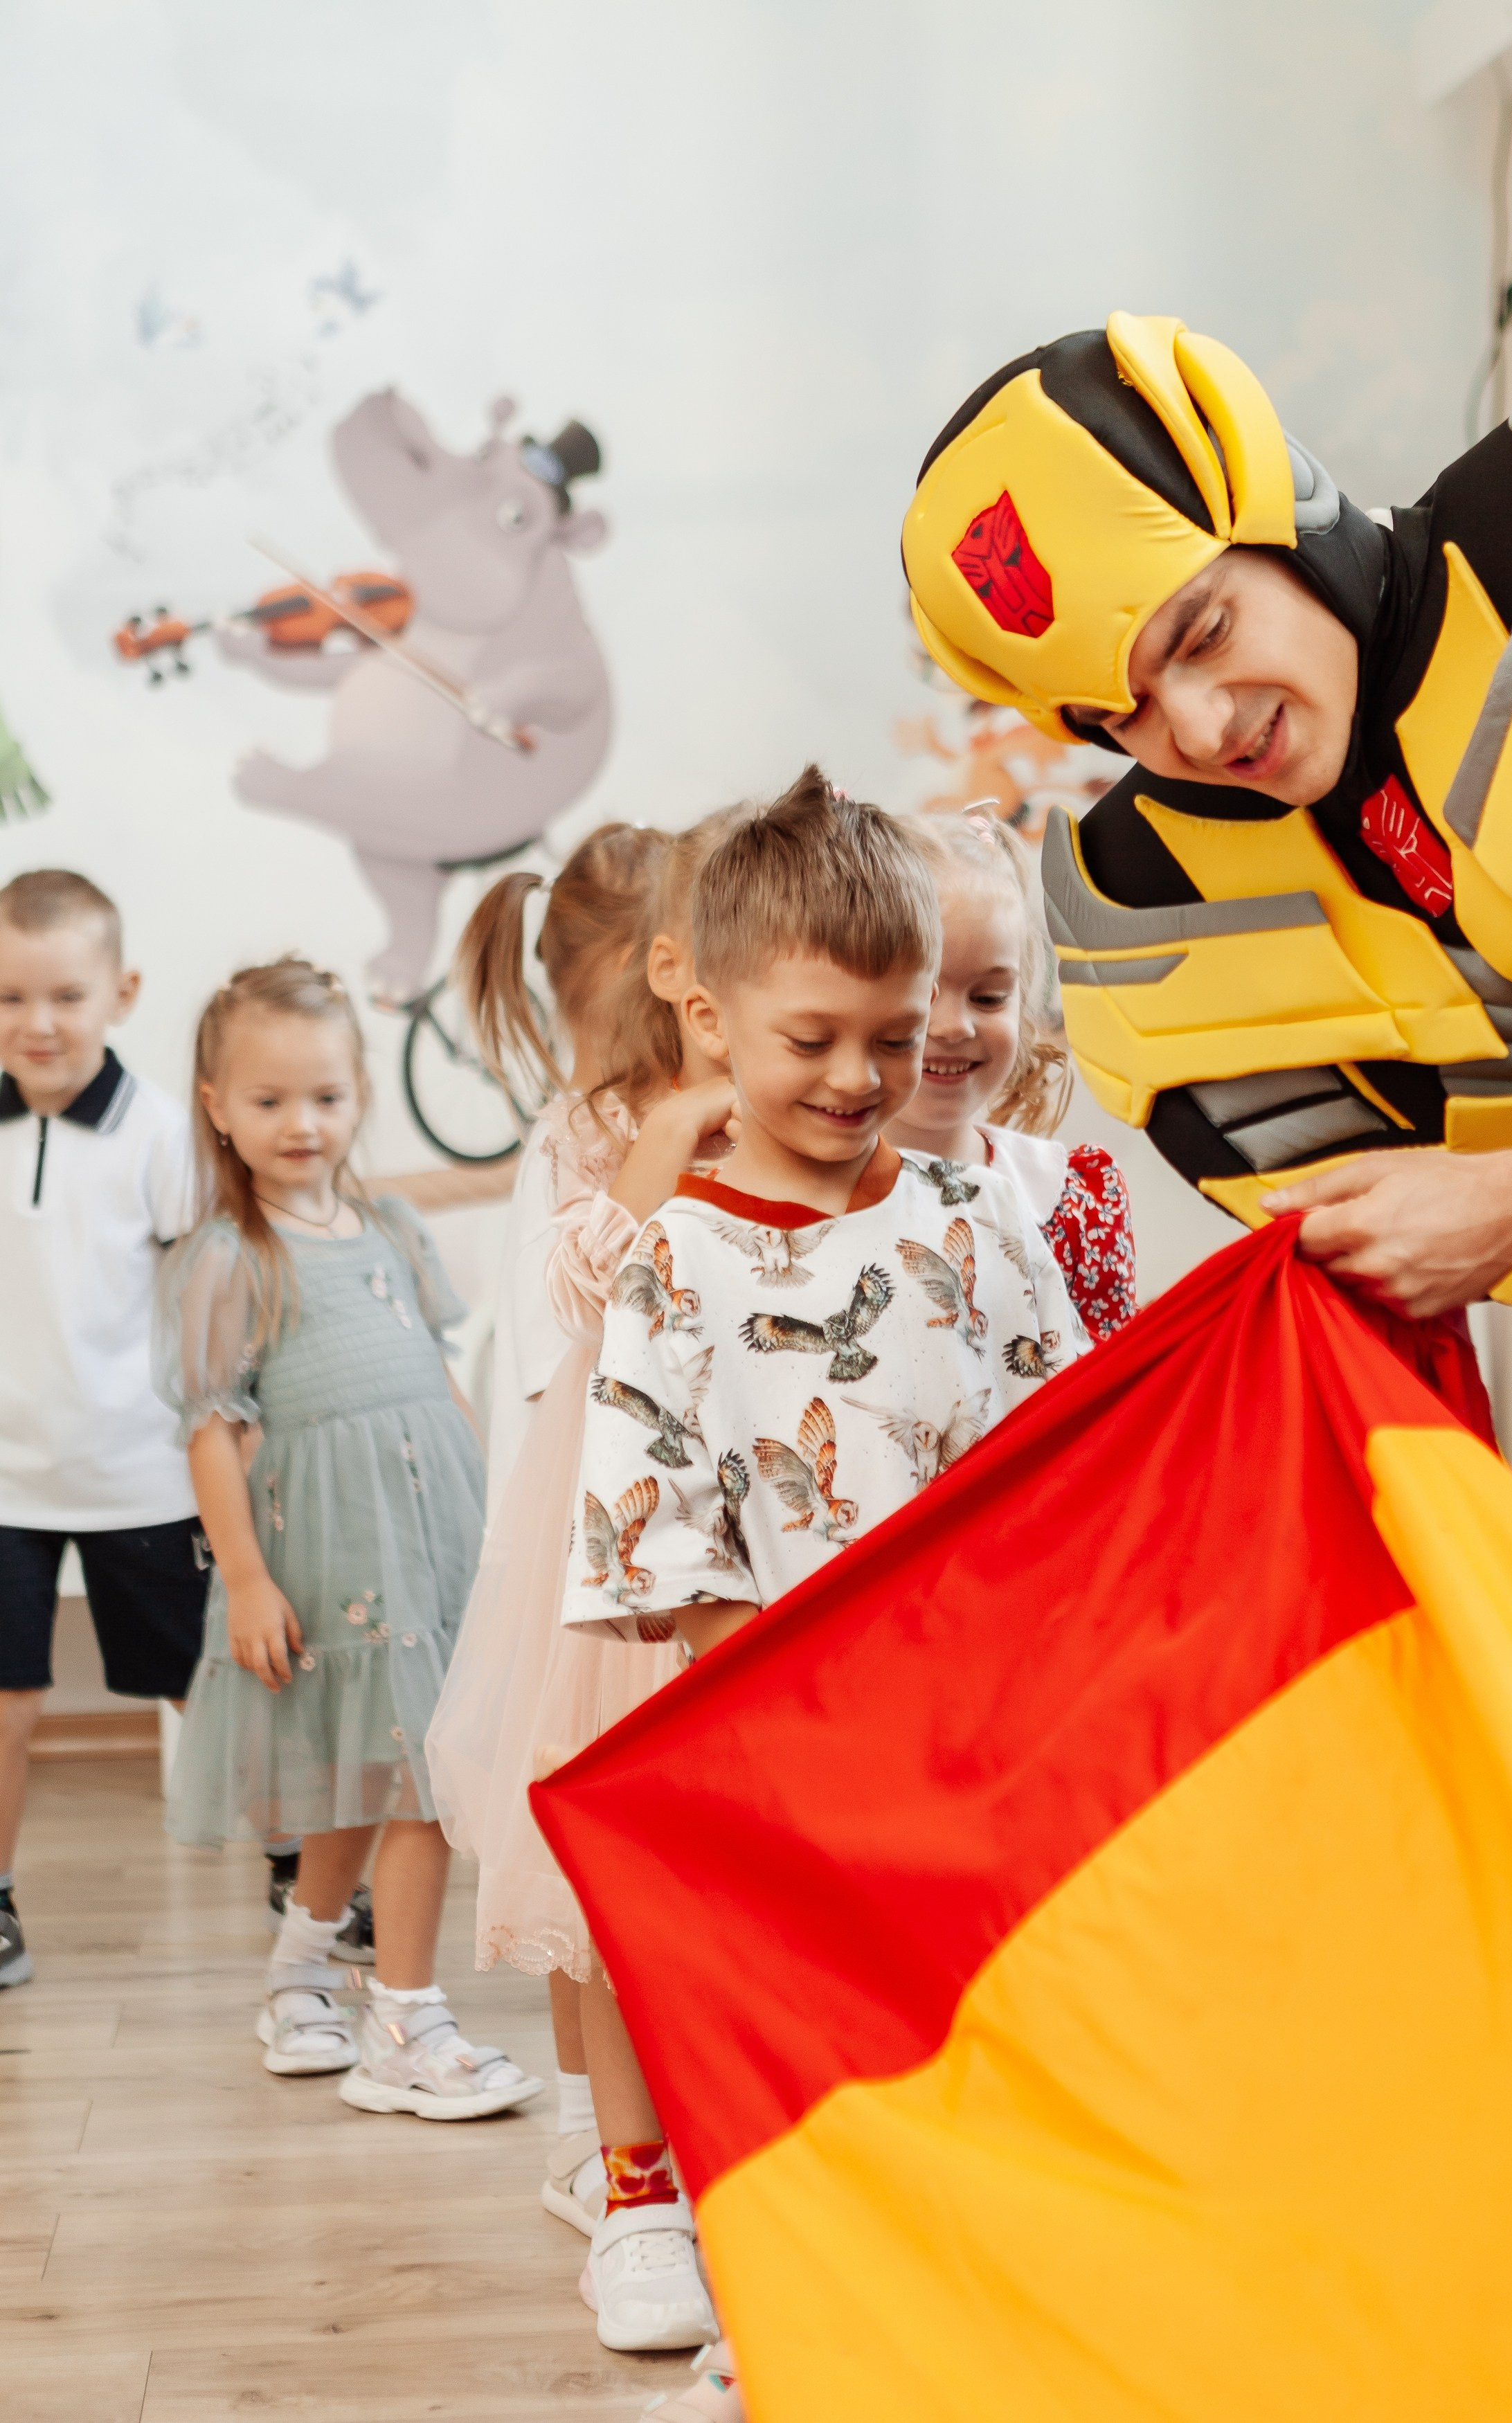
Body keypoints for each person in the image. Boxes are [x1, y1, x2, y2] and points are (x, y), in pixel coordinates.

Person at [557, 768, 1080, 2411]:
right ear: (711, 1020)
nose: (865, 1076)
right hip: (777, 1742)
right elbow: (657, 1552)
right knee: (791, 2045)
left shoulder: (977, 1218)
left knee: (971, 2024)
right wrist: (807, 1695)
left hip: (976, 1727)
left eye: (898, 1031)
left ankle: (977, 2303)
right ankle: (774, 2323)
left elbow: (1056, 1448)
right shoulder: (676, 1265)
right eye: (814, 1040)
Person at [901, 313, 1512, 1430]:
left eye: (1203, 630)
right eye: (1117, 713)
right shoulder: (1159, 886)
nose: (1196, 724)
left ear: (1289, 520)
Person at [424, 818, 737, 2264]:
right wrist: (660, 1156)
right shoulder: (592, 1130)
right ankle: (595, 2143)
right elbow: (572, 1314)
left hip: (729, 1503)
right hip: (603, 1517)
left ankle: (651, 2129)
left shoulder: (753, 1085)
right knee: (584, 1838)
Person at [160, 956, 538, 2118]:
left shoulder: (388, 1227)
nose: (300, 1123)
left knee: (368, 1783)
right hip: (327, 1551)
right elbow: (213, 1431)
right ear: (217, 1104)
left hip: (426, 1541)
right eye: (268, 1101)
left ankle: (296, 1978)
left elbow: (436, 1381)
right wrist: (248, 1581)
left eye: (324, 1096)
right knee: (420, 1783)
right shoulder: (231, 1257)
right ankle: (407, 2025)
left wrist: (495, 1522)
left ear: (359, 1091)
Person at [0, 868, 206, 1992]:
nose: (36, 1023)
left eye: (64, 996)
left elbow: (204, 1301)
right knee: (4, 1702)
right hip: (5, 1483)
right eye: (9, 998)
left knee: (202, 1681)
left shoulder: (162, 1137)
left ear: (120, 992)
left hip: (139, 1472)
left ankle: (296, 1863)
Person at [891, 808, 1135, 1337]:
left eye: (988, 996)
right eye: (922, 992)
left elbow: (1113, 1394)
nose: (954, 1026)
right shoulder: (786, 1194)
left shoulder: (1070, 1201)